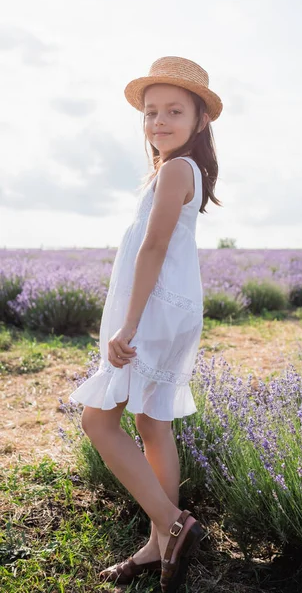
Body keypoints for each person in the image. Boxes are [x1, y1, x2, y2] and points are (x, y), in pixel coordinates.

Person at [69, 55, 223, 592]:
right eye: (151, 111)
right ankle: (159, 546)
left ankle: (175, 525)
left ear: (200, 120)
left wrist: (128, 324)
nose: (158, 121)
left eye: (174, 111)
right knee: (153, 424)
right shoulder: (174, 170)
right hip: (170, 308)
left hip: (153, 311)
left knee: (98, 421)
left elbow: (154, 247)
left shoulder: (178, 168)